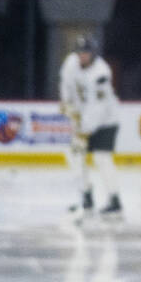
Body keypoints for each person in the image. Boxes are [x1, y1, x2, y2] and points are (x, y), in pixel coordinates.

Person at [59, 34, 122, 217]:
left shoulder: (101, 73)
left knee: (102, 158)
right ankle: (85, 196)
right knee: (75, 156)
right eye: (80, 52)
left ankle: (114, 199)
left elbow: (98, 107)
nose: (82, 56)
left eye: (85, 53)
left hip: (105, 121)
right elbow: (66, 84)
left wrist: (84, 130)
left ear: (93, 53)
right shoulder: (71, 63)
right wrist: (67, 103)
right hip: (83, 120)